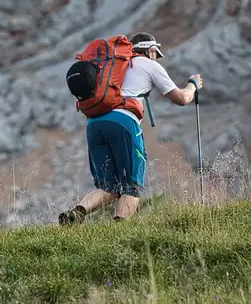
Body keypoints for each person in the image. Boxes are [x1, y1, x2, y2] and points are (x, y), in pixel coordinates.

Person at [59, 32, 203, 225]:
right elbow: (182, 98)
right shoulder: (150, 65)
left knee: (108, 188)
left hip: (94, 124)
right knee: (131, 187)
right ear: (150, 50)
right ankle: (118, 232)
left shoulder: (110, 65)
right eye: (156, 53)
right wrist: (192, 85)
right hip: (123, 122)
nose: (156, 57)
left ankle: (76, 213)